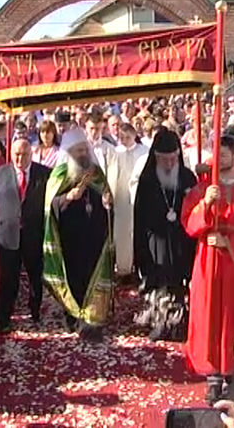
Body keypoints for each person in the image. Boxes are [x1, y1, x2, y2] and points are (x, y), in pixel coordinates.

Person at [181, 134, 234, 404]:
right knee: (207, 312)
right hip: (207, 258)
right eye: (218, 153)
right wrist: (205, 203)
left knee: (229, 314)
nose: (221, 158)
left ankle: (226, 362)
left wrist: (229, 242)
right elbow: (188, 223)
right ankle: (212, 373)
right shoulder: (204, 187)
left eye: (226, 154)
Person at [43, 128, 113, 341]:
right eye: (78, 151)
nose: (83, 154)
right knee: (73, 276)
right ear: (69, 152)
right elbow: (50, 207)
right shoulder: (60, 174)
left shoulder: (96, 173)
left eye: (84, 149)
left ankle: (91, 318)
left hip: (93, 236)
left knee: (92, 275)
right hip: (70, 238)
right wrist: (68, 198)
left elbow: (107, 199)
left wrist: (107, 202)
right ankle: (72, 315)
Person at [132, 129, 197, 341]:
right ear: (156, 157)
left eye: (173, 159)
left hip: (181, 241)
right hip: (155, 242)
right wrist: (140, 248)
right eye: (164, 160)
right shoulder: (148, 180)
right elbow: (139, 217)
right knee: (158, 281)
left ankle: (178, 324)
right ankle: (159, 321)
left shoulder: (187, 178)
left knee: (178, 283)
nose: (169, 164)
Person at [0, 139, 50, 334]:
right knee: (7, 279)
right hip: (7, 235)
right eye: (16, 154)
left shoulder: (44, 173)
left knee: (35, 276)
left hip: (34, 234)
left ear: (31, 153)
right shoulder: (0, 173)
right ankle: (4, 317)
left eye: (24, 154)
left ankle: (35, 309)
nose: (20, 159)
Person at [113, 123, 149, 277]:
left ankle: (141, 268)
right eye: (122, 137)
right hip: (121, 195)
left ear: (134, 135)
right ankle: (124, 269)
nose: (125, 140)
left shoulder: (144, 152)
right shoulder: (116, 152)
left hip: (139, 194)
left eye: (128, 137)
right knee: (122, 233)